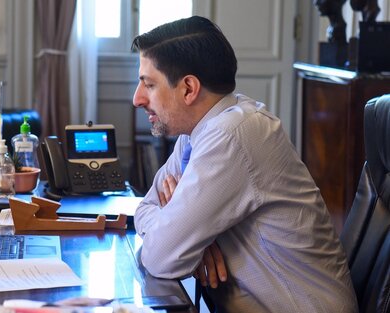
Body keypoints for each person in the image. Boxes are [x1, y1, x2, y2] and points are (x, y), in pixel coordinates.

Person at [131, 16, 358, 312]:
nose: (137, 99)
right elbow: (144, 209)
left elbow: (161, 256)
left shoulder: (230, 136)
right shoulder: (197, 132)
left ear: (188, 88)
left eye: (148, 85)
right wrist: (183, 234)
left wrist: (182, 237)